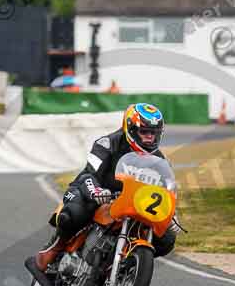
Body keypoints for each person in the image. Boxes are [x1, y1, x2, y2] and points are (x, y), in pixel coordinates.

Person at [36, 103, 177, 270]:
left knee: (166, 238)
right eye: (144, 132)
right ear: (130, 129)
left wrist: (171, 213)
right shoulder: (107, 144)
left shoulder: (160, 160)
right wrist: (97, 191)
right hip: (91, 190)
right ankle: (55, 246)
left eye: (153, 134)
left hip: (129, 202)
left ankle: (129, 266)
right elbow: (90, 173)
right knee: (75, 214)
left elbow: (166, 189)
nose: (149, 138)